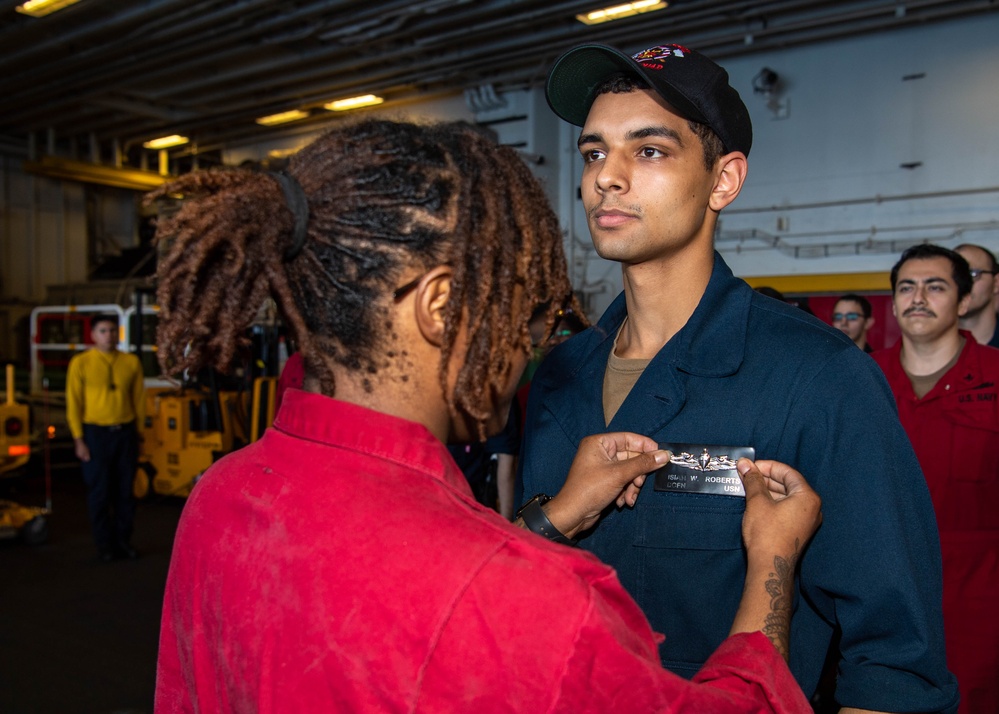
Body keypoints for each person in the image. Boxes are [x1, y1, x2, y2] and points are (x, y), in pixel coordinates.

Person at [151, 119, 823, 712]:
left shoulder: (223, 496)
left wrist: (550, 518)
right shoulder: (538, 607)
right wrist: (772, 557)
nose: (526, 347)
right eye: (520, 318)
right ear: (440, 308)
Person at [520, 42, 958, 713]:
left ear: (722, 181)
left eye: (649, 150)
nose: (606, 176)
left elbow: (894, 661)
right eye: (592, 152)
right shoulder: (557, 378)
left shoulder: (818, 378)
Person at [872, 244, 999, 714]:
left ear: (964, 302)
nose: (918, 297)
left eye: (936, 286)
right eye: (907, 287)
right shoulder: (862, 381)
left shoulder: (996, 378)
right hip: (881, 600)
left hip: (980, 604)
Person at [65, 314, 145, 562]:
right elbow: (73, 402)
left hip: (125, 433)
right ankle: (105, 546)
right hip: (95, 434)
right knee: (99, 492)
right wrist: (79, 439)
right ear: (93, 335)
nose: (108, 335)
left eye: (112, 330)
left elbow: (139, 400)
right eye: (103, 331)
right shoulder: (81, 363)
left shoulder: (131, 362)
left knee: (125, 492)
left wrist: (139, 435)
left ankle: (123, 542)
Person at [954, 243, 999, 348]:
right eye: (954, 276)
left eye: (972, 274)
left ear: (996, 282)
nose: (962, 283)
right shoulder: (928, 346)